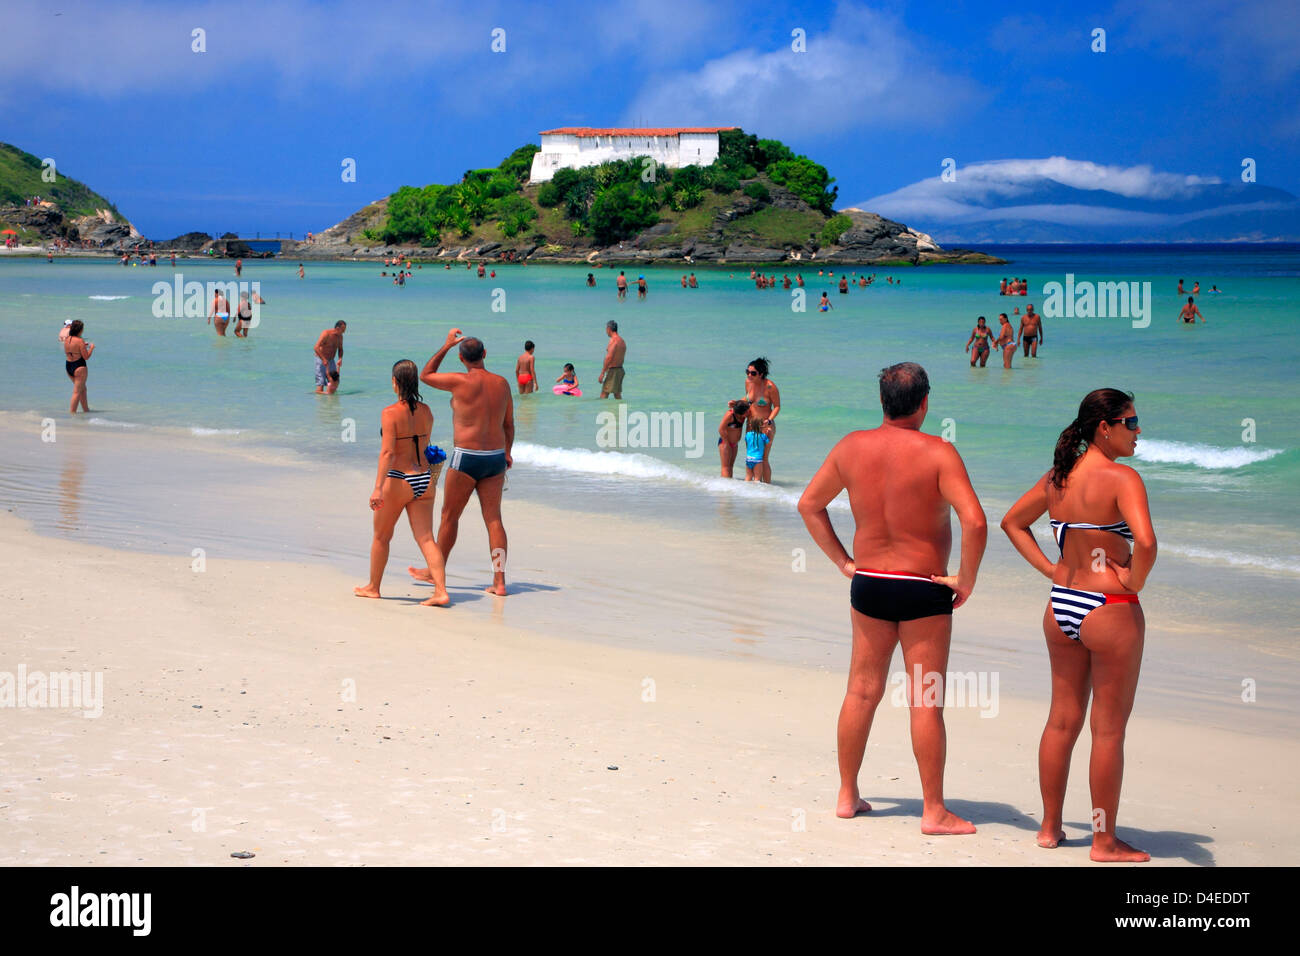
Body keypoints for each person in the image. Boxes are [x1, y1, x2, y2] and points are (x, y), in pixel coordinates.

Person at [797, 362, 986, 833]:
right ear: (924, 403)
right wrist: (966, 579)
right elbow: (976, 521)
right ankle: (933, 811)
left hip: (871, 582)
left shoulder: (851, 447)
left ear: (882, 402)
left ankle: (847, 795)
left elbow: (809, 504)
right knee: (925, 700)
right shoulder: (940, 452)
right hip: (923, 586)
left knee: (861, 691)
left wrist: (844, 562)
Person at [1000, 389, 1155, 861]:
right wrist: (1134, 580)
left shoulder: (1059, 478)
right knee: (1107, 731)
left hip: (1061, 604)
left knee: (1061, 720)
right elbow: (1145, 543)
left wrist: (1051, 570)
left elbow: (1012, 523)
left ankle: (1049, 828)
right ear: (1103, 427)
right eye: (1130, 422)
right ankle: (1104, 842)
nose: (1138, 430)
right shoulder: (1122, 478)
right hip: (1109, 606)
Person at [413, 329, 514, 597]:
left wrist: (446, 345)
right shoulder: (502, 383)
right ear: (484, 354)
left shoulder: (459, 382)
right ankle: (500, 581)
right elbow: (508, 424)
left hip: (466, 456)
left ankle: (435, 572)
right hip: (494, 457)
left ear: (461, 358)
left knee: (449, 517)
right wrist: (507, 453)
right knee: (494, 520)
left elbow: (425, 375)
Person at [354, 360, 450, 608]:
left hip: (399, 478)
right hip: (425, 479)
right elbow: (425, 445)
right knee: (427, 538)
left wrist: (377, 487)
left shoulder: (389, 413)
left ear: (395, 382)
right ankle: (440, 591)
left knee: (381, 537)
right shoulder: (427, 411)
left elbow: (387, 453)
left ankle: (373, 587)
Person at [744, 357, 780, 483]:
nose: (749, 375)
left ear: (761, 374)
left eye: (753, 373)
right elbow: (749, 401)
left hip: (765, 426)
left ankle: (767, 489)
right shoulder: (748, 382)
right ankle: (753, 489)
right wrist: (738, 403)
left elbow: (777, 406)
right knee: (751, 457)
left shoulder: (770, 387)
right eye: (747, 372)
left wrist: (769, 420)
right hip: (750, 425)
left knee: (763, 458)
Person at [63, 320, 95, 414]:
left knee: (82, 389)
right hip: (79, 366)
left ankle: (86, 410)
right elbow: (86, 357)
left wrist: (82, 346)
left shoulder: (67, 339)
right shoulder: (80, 340)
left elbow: (72, 349)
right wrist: (91, 348)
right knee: (76, 392)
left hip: (69, 365)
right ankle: (72, 413)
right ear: (80, 330)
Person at [718, 399, 748, 478]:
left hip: (735, 444)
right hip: (725, 443)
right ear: (740, 412)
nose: (748, 413)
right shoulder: (730, 415)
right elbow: (721, 429)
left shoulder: (742, 416)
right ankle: (724, 487)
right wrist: (726, 443)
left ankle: (729, 487)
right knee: (725, 467)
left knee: (731, 466)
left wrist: (734, 402)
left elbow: (749, 399)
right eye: (746, 412)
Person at [313, 320, 346, 394]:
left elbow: (340, 349)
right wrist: (323, 359)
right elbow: (316, 347)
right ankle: (320, 399)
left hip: (331, 360)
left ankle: (332, 403)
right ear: (337, 328)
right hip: (321, 360)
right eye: (342, 330)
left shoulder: (340, 337)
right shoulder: (326, 334)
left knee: (335, 382)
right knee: (320, 383)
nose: (344, 332)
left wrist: (340, 358)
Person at [599, 320, 626, 399]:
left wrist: (602, 373)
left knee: (604, 394)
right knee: (617, 394)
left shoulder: (613, 340)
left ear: (608, 329)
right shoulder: (621, 341)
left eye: (606, 329)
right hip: (620, 370)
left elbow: (609, 357)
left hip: (613, 371)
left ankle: (601, 410)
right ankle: (620, 410)